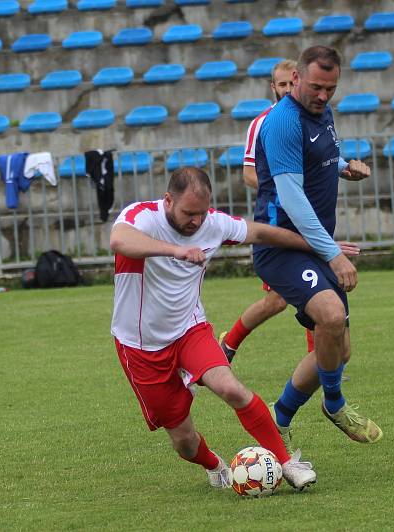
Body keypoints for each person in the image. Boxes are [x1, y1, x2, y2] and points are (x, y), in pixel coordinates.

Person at [109, 167, 356, 491]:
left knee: (231, 388)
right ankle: (214, 464)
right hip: (140, 345)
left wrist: (323, 247)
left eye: (201, 213)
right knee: (184, 441)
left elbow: (264, 234)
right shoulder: (142, 216)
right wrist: (176, 250)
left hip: (189, 330)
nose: (196, 222)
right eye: (188, 213)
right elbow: (120, 240)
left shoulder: (211, 224)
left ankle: (287, 463)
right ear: (168, 200)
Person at [252, 45, 383, 451]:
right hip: (282, 246)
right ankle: (334, 403)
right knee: (329, 316)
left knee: (338, 350)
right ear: (295, 81)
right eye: (315, 87)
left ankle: (280, 418)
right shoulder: (282, 123)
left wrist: (345, 167)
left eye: (331, 88)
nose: (323, 95)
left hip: (313, 245)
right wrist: (334, 254)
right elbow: (291, 198)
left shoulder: (321, 112)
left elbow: (322, 155)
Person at [219, 59, 317, 362]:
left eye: (292, 83)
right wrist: (284, 187)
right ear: (273, 87)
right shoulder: (263, 122)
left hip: (308, 218)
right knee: (277, 300)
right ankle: (228, 343)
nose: (288, 89)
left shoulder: (310, 120)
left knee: (316, 288)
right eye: (282, 84)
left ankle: (320, 361)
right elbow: (248, 174)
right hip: (277, 223)